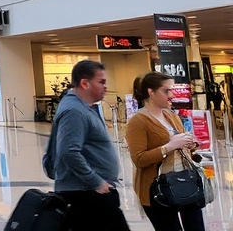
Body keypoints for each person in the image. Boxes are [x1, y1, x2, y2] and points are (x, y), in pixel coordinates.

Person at [52, 60, 129, 230]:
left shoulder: (83, 107)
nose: (105, 86)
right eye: (101, 82)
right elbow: (68, 151)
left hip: (90, 192)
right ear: (85, 83)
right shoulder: (75, 111)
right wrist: (97, 182)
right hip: (86, 193)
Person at [125, 72, 204, 231]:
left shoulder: (171, 115)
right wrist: (169, 146)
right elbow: (139, 159)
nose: (172, 95)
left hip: (184, 181)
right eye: (166, 90)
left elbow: (181, 145)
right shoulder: (138, 121)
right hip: (158, 190)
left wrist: (190, 143)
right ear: (151, 92)